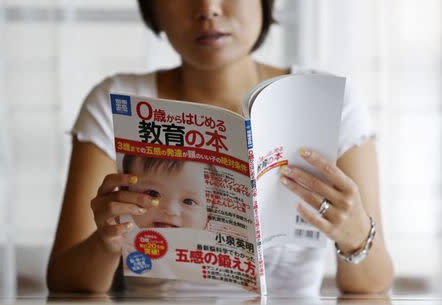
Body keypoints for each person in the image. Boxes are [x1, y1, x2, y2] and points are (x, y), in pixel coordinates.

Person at [46, 0, 394, 296]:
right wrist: (106, 242)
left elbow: (371, 286)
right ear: (152, 8)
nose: (208, 9)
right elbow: (64, 283)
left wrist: (355, 234)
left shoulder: (330, 102)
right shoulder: (115, 102)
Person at [121, 155, 208, 230]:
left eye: (189, 201)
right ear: (125, 190)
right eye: (153, 193)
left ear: (208, 218)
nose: (170, 210)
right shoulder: (121, 238)